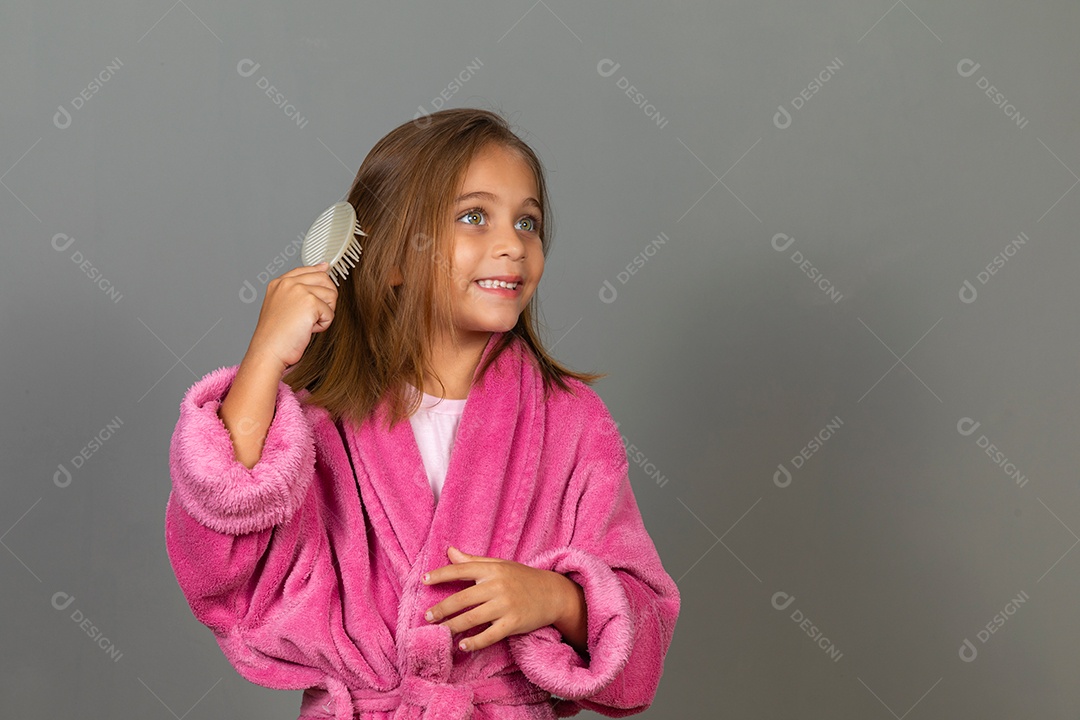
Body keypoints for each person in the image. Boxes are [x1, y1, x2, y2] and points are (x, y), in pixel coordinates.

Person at [164, 107, 680, 719]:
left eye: (528, 221)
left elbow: (642, 629)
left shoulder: (570, 422)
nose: (512, 243)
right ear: (393, 258)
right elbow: (219, 564)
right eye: (473, 217)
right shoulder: (320, 421)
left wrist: (557, 598)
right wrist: (264, 358)